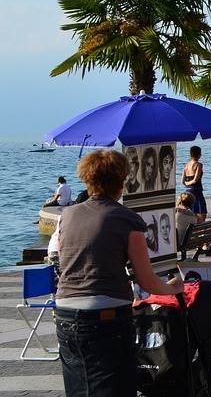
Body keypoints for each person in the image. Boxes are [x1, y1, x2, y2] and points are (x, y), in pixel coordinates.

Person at [55, 149, 182, 397]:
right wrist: (174, 287)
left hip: (66, 312)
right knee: (115, 387)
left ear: (87, 179)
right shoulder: (128, 219)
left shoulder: (66, 216)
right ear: (122, 181)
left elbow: (66, 261)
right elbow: (147, 280)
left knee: (79, 387)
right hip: (106, 315)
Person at [181, 145, 206, 221]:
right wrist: (189, 183)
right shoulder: (198, 164)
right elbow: (195, 180)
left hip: (187, 191)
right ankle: (201, 231)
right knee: (202, 213)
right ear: (199, 154)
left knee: (192, 212)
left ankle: (194, 229)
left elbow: (182, 181)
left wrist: (186, 184)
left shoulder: (186, 165)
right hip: (196, 191)